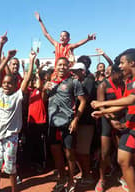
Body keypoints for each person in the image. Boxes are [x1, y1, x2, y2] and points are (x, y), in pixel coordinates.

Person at [91, 48, 135, 192]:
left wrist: (102, 104)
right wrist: (103, 113)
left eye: (122, 63)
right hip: (131, 126)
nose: (120, 67)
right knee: (122, 160)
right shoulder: (129, 80)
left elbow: (132, 99)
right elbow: (123, 102)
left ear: (132, 62)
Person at [0, 50, 36, 192]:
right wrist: (7, 58)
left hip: (11, 136)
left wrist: (31, 60)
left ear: (16, 84)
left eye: (9, 83)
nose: (6, 85)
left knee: (10, 167)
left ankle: (14, 189)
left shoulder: (18, 96)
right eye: (4, 83)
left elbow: (27, 79)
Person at [42, 57, 86, 192]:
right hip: (53, 123)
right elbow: (44, 100)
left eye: (64, 65)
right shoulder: (50, 83)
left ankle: (71, 180)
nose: (62, 67)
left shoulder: (74, 82)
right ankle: (61, 178)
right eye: (59, 65)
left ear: (68, 66)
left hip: (68, 123)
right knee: (56, 154)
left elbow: (83, 101)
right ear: (56, 66)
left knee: (69, 154)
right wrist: (44, 90)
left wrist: (75, 120)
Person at [94, 63, 125, 192]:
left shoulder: (123, 84)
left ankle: (122, 175)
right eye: (119, 74)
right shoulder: (103, 85)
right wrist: (112, 119)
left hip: (121, 120)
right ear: (113, 73)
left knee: (122, 152)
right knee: (104, 153)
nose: (121, 76)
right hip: (107, 120)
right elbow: (101, 105)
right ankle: (102, 179)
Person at [69, 62, 95, 186]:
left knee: (83, 151)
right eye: (72, 70)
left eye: (76, 71)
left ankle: (88, 176)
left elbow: (84, 100)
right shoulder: (76, 82)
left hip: (86, 122)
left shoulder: (88, 82)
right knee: (78, 150)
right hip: (78, 121)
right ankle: (84, 173)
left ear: (83, 71)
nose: (73, 73)